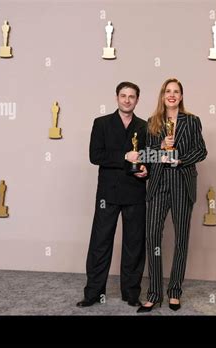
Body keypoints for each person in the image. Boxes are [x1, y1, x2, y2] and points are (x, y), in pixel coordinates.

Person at [137, 78, 207, 312]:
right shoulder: (152, 122)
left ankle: (175, 291)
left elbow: (201, 150)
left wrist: (180, 159)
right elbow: (146, 154)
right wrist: (160, 149)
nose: (172, 95)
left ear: (181, 96)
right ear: (162, 95)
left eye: (176, 91)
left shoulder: (192, 121)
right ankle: (154, 293)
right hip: (158, 184)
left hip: (181, 182)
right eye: (168, 91)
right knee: (152, 238)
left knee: (181, 239)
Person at [77, 81, 148, 308]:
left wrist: (146, 170)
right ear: (117, 98)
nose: (127, 100)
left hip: (135, 192)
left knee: (134, 244)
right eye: (123, 96)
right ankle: (93, 293)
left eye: (132, 96)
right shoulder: (102, 123)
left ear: (137, 100)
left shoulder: (146, 126)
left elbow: (148, 157)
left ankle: (131, 293)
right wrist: (124, 158)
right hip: (108, 193)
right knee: (100, 243)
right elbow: (95, 155)